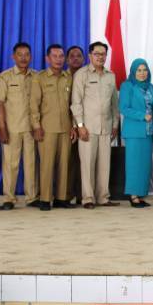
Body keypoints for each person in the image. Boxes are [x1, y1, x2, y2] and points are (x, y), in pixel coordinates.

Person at [72, 42, 120, 209]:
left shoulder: (110, 76)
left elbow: (115, 103)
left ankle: (103, 197)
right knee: (87, 164)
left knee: (104, 165)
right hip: (88, 128)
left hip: (106, 128)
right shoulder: (81, 74)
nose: (100, 57)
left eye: (103, 54)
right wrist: (80, 125)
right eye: (97, 54)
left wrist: (115, 124)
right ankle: (88, 198)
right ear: (90, 55)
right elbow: (76, 102)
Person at [30, 44, 76, 211]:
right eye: (55, 56)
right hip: (46, 128)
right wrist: (36, 126)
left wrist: (74, 126)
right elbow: (34, 104)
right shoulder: (39, 78)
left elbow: (72, 104)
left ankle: (61, 198)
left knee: (64, 164)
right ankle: (45, 198)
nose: (58, 59)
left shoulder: (68, 77)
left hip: (65, 127)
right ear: (47, 59)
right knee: (47, 164)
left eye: (61, 56)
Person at [0, 42, 38, 210]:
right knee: (10, 165)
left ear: (31, 57)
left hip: (31, 128)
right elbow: (0, 105)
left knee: (31, 164)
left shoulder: (36, 76)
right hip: (12, 128)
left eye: (27, 54)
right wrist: (2, 128)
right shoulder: (5, 77)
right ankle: (9, 198)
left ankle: (32, 197)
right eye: (19, 54)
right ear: (13, 57)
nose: (23, 58)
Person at [119, 59, 153, 208]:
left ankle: (141, 194)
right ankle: (133, 195)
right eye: (139, 70)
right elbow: (124, 108)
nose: (142, 73)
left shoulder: (152, 88)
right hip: (134, 131)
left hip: (148, 132)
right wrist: (142, 115)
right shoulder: (127, 86)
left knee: (144, 165)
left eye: (144, 70)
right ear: (133, 72)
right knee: (134, 164)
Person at [66, 45, 86, 204]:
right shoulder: (63, 77)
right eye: (72, 56)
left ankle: (82, 195)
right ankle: (66, 194)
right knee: (68, 162)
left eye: (79, 56)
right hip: (67, 126)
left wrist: (80, 125)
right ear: (67, 59)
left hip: (85, 125)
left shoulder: (86, 76)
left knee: (83, 162)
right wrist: (71, 125)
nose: (75, 59)